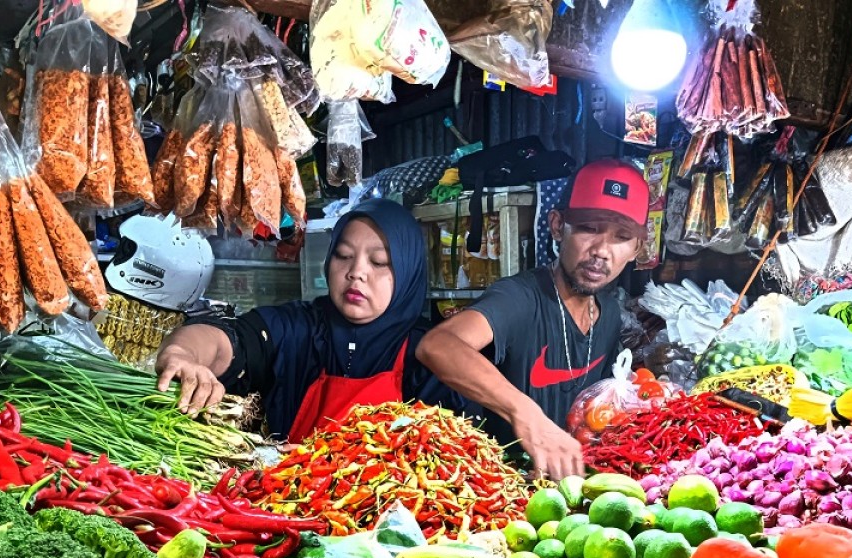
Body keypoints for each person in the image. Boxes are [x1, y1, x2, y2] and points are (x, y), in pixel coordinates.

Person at [416, 159, 649, 479]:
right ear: (556, 226)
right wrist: (525, 413)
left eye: (621, 236)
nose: (602, 251)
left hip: (574, 494)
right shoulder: (519, 298)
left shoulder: (608, 315)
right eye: (589, 228)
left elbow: (593, 411)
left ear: (637, 247)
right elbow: (437, 345)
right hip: (501, 491)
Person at [155, 198, 459, 440]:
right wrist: (182, 354)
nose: (356, 272)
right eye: (343, 255)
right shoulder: (299, 326)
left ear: (408, 272)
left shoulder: (429, 355)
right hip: (291, 505)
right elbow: (229, 340)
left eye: (379, 262)